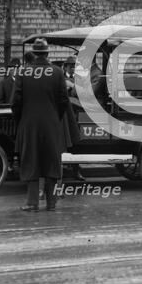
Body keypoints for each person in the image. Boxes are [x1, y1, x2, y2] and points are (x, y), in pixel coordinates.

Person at [12, 39, 69, 212]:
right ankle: (51, 203)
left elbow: (15, 102)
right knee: (51, 162)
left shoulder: (24, 72)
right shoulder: (58, 72)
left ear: (34, 53)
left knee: (31, 160)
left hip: (29, 123)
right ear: (47, 53)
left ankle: (32, 202)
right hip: (51, 123)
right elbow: (64, 101)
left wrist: (22, 119)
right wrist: (54, 117)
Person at [62, 55, 84, 181]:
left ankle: (76, 170)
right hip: (65, 115)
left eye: (74, 66)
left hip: (76, 115)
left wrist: (72, 86)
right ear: (65, 67)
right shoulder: (61, 78)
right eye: (70, 66)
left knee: (76, 144)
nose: (72, 69)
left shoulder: (80, 79)